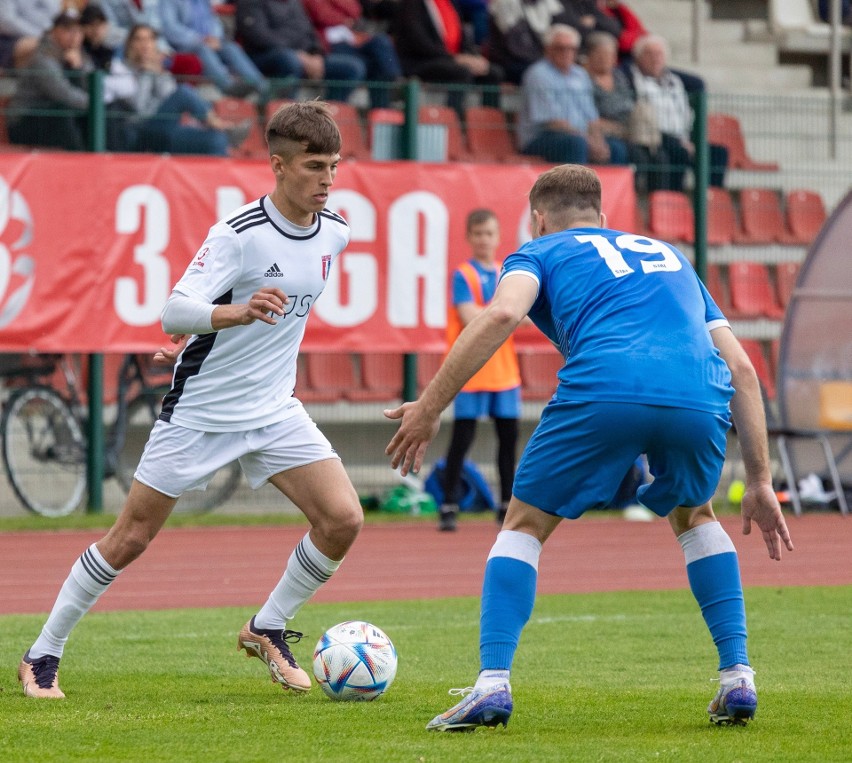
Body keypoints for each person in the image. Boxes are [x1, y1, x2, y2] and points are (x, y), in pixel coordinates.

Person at [385, 163, 794, 731]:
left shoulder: (539, 252)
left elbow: (502, 312)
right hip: (700, 395)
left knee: (523, 523)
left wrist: (428, 407)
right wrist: (758, 481)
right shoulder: (672, 257)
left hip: (607, 385)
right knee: (697, 515)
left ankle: (493, 684)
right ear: (603, 217)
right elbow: (745, 370)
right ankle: (738, 678)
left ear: (537, 219)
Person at [17, 100, 364, 700]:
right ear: (277, 166)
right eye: (314, 166)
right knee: (129, 538)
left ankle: (267, 627)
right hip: (200, 414)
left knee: (343, 519)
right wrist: (226, 315)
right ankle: (42, 653)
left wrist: (207, 333)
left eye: (334, 166)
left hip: (275, 409)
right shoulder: (237, 234)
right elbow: (173, 309)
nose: (327, 180)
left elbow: (272, 321)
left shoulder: (336, 230)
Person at [438, 209, 522, 532]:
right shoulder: (464, 275)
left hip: (504, 371)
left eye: (489, 233)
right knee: (462, 439)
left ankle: (506, 506)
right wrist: (506, 312)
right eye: (478, 234)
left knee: (508, 440)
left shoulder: (507, 273)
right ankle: (448, 503)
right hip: (472, 370)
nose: (484, 240)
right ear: (469, 238)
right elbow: (469, 315)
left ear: (499, 237)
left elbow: (521, 313)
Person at [110, 23, 249, 157]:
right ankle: (220, 124)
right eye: (139, 39)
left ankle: (216, 169)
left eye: (150, 39)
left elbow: (168, 94)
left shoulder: (157, 68)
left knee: (216, 140)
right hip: (142, 129)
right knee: (183, 91)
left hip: (166, 126)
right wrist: (146, 74)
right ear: (130, 44)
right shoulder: (122, 67)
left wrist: (157, 72)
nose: (145, 44)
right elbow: (139, 109)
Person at [626, 34, 727, 191]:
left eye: (659, 54)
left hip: (683, 135)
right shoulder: (631, 79)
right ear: (638, 58)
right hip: (654, 136)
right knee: (676, 151)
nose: (655, 58)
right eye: (649, 54)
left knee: (718, 153)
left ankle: (711, 201)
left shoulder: (676, 81)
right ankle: (672, 200)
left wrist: (692, 140)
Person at [517, 24, 628, 166]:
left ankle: (606, 188)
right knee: (576, 144)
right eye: (560, 48)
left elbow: (591, 118)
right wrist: (588, 140)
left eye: (571, 48)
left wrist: (598, 140)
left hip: (578, 135)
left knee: (615, 148)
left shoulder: (580, 74)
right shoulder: (538, 74)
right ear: (548, 49)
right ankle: (575, 187)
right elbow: (553, 122)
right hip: (542, 137)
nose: (566, 52)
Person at [235, 0, 366, 105]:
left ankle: (326, 116)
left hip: (303, 55)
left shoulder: (294, 2)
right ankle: (288, 115)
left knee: (353, 68)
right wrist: (299, 55)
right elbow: (259, 36)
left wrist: (316, 54)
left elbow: (309, 32)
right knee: (289, 60)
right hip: (263, 56)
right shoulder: (250, 2)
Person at [392, 0, 504, 116]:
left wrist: (475, 58)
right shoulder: (413, 4)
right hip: (421, 61)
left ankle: (488, 124)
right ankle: (454, 120)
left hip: (450, 60)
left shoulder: (450, 3)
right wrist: (456, 58)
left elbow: (462, 38)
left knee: (492, 72)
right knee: (461, 73)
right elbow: (420, 43)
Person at [7, 10, 95, 151]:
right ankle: (80, 162)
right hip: (26, 120)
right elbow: (63, 94)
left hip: (54, 118)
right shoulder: (43, 56)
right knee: (64, 113)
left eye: (78, 31)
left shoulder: (80, 55)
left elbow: (93, 86)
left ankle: (110, 159)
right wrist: (96, 105)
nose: (74, 36)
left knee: (109, 113)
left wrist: (79, 68)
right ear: (55, 31)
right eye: (68, 30)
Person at [301, 0, 402, 108]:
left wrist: (338, 13)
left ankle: (384, 109)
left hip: (351, 42)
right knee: (357, 66)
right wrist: (344, 19)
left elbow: (355, 10)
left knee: (381, 44)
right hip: (329, 46)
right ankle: (330, 112)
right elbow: (320, 14)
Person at [160, 0, 268, 97]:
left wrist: (215, 37)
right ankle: (228, 87)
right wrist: (199, 39)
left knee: (231, 48)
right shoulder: (170, 2)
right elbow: (171, 28)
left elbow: (214, 22)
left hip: (209, 42)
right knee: (204, 50)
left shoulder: (204, 2)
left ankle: (263, 87)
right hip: (184, 45)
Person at [486, 0, 578, 85]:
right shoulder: (506, 3)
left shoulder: (548, 4)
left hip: (537, 59)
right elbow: (514, 47)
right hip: (511, 62)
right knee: (541, 72)